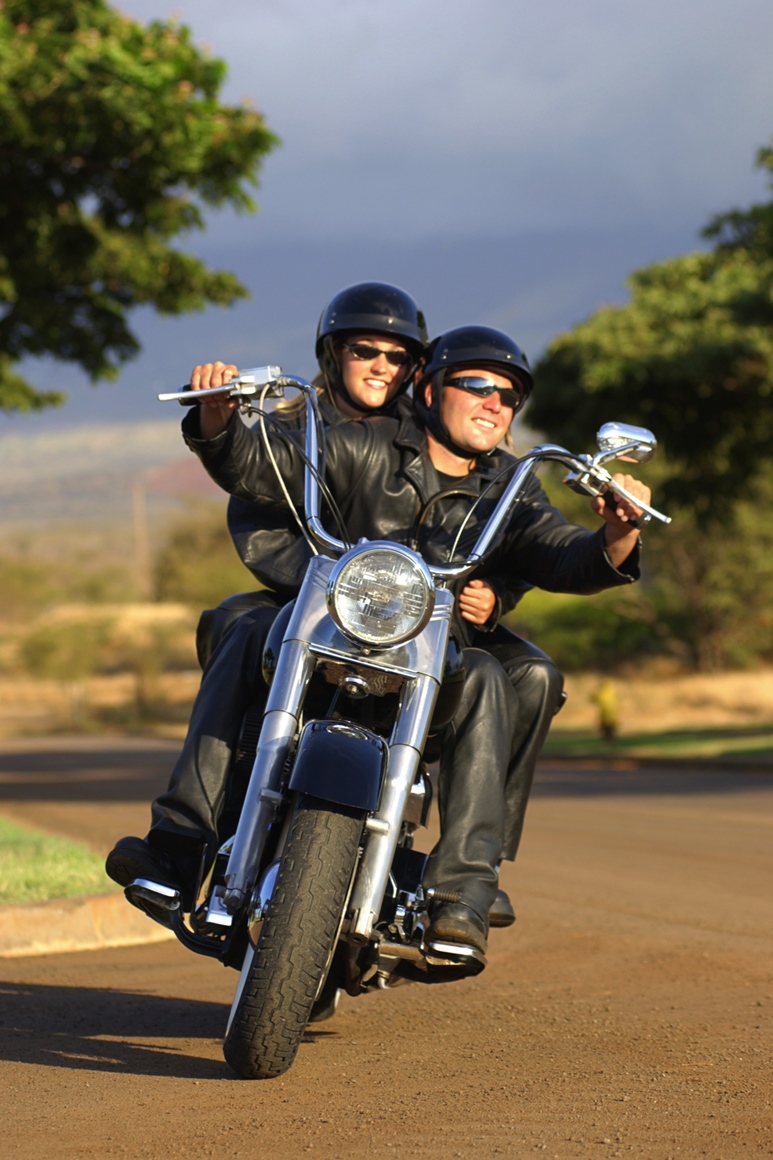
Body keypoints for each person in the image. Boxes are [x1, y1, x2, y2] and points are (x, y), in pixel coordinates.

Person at [107, 324, 650, 958]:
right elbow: (271, 468)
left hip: (432, 657)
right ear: (430, 388)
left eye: (508, 395)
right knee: (248, 622)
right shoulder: (363, 445)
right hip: (335, 627)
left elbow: (559, 551)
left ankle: (464, 889)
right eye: (474, 384)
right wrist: (218, 420)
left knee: (495, 674)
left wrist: (615, 537)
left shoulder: (514, 482)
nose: (492, 402)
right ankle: (179, 845)